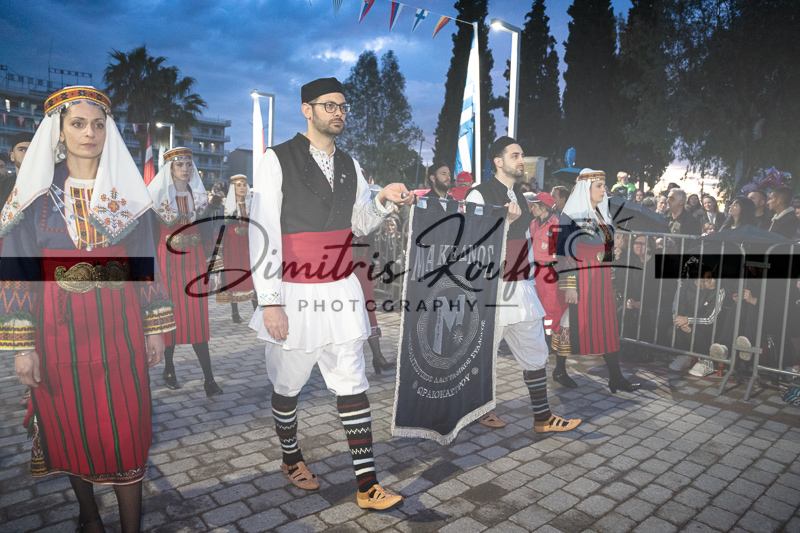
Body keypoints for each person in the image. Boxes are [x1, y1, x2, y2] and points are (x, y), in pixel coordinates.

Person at [0, 86, 175, 533]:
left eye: (98, 124)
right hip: (57, 333)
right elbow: (18, 272)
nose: (89, 133)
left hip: (120, 329)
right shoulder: (35, 196)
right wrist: (22, 346)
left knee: (127, 427)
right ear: (59, 132)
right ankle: (91, 517)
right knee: (71, 425)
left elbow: (144, 264)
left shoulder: (127, 193)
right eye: (77, 124)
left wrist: (154, 328)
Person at [248, 77, 411, 510]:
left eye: (343, 107)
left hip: (340, 288)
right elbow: (262, 231)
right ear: (307, 109)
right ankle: (290, 457)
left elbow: (358, 223)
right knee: (288, 384)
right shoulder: (276, 158)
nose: (338, 113)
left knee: (352, 382)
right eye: (329, 106)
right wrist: (270, 301)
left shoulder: (350, 163)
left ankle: (367, 485)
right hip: (294, 291)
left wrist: (382, 201)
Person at [467, 136, 582, 432]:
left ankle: (543, 418)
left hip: (521, 286)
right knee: (482, 355)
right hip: (492, 289)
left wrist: (530, 274)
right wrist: (503, 223)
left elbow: (527, 241)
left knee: (535, 352)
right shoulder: (478, 194)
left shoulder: (519, 195)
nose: (521, 160)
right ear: (498, 161)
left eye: (521, 155)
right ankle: (479, 410)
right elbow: (471, 242)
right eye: (515, 155)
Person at [556, 168, 642, 394]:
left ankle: (616, 378)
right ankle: (559, 369)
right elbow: (564, 252)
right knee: (570, 322)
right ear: (587, 188)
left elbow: (606, 249)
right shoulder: (571, 215)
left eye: (604, 185)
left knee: (606, 324)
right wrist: (570, 285)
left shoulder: (602, 215)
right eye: (599, 186)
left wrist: (613, 253)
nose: (604, 190)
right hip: (580, 276)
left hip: (600, 279)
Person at [147, 147, 223, 397]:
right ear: (170, 169)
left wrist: (213, 270)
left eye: (189, 164)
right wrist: (150, 272)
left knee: (197, 319)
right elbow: (149, 237)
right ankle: (169, 369)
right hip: (166, 263)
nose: (185, 169)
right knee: (168, 317)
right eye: (180, 165)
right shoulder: (155, 198)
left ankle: (209, 379)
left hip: (194, 262)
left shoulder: (199, 199)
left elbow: (208, 234)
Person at [526, 192, 571, 387]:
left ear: (543, 206)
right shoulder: (533, 223)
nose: (531, 207)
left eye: (534, 204)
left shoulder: (557, 225)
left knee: (551, 313)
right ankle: (541, 351)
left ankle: (548, 350)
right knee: (538, 312)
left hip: (551, 274)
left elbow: (562, 254)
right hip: (535, 273)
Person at [669, 260, 726, 376]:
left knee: (698, 330)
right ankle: (685, 356)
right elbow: (677, 307)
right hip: (689, 322)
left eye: (713, 277)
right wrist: (680, 322)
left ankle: (706, 362)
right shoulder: (684, 286)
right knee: (672, 330)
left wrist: (687, 320)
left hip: (711, 327)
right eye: (708, 279)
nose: (713, 281)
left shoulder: (719, 291)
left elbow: (710, 318)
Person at [215, 174, 258, 323]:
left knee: (252, 277)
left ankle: (256, 313)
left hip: (249, 245)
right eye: (239, 185)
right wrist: (219, 250)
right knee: (233, 277)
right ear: (233, 188)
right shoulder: (226, 207)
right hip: (232, 246)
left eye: (244, 185)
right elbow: (219, 228)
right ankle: (235, 312)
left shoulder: (252, 206)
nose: (242, 188)